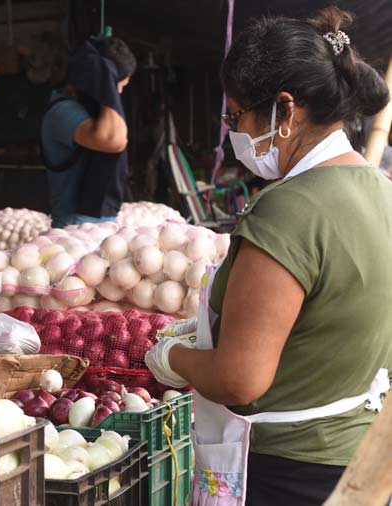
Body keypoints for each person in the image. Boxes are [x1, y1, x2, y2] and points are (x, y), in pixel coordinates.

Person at [144, 8, 392, 505]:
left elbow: (240, 380)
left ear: (285, 109)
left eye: (235, 117)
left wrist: (171, 357)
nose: (232, 133)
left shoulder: (288, 210)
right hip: (359, 460)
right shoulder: (381, 189)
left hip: (290, 472)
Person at [40, 36, 136, 228]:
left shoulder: (92, 113)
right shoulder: (63, 112)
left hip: (96, 224)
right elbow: (113, 140)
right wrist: (106, 85)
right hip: (75, 227)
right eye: (117, 87)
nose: (117, 95)